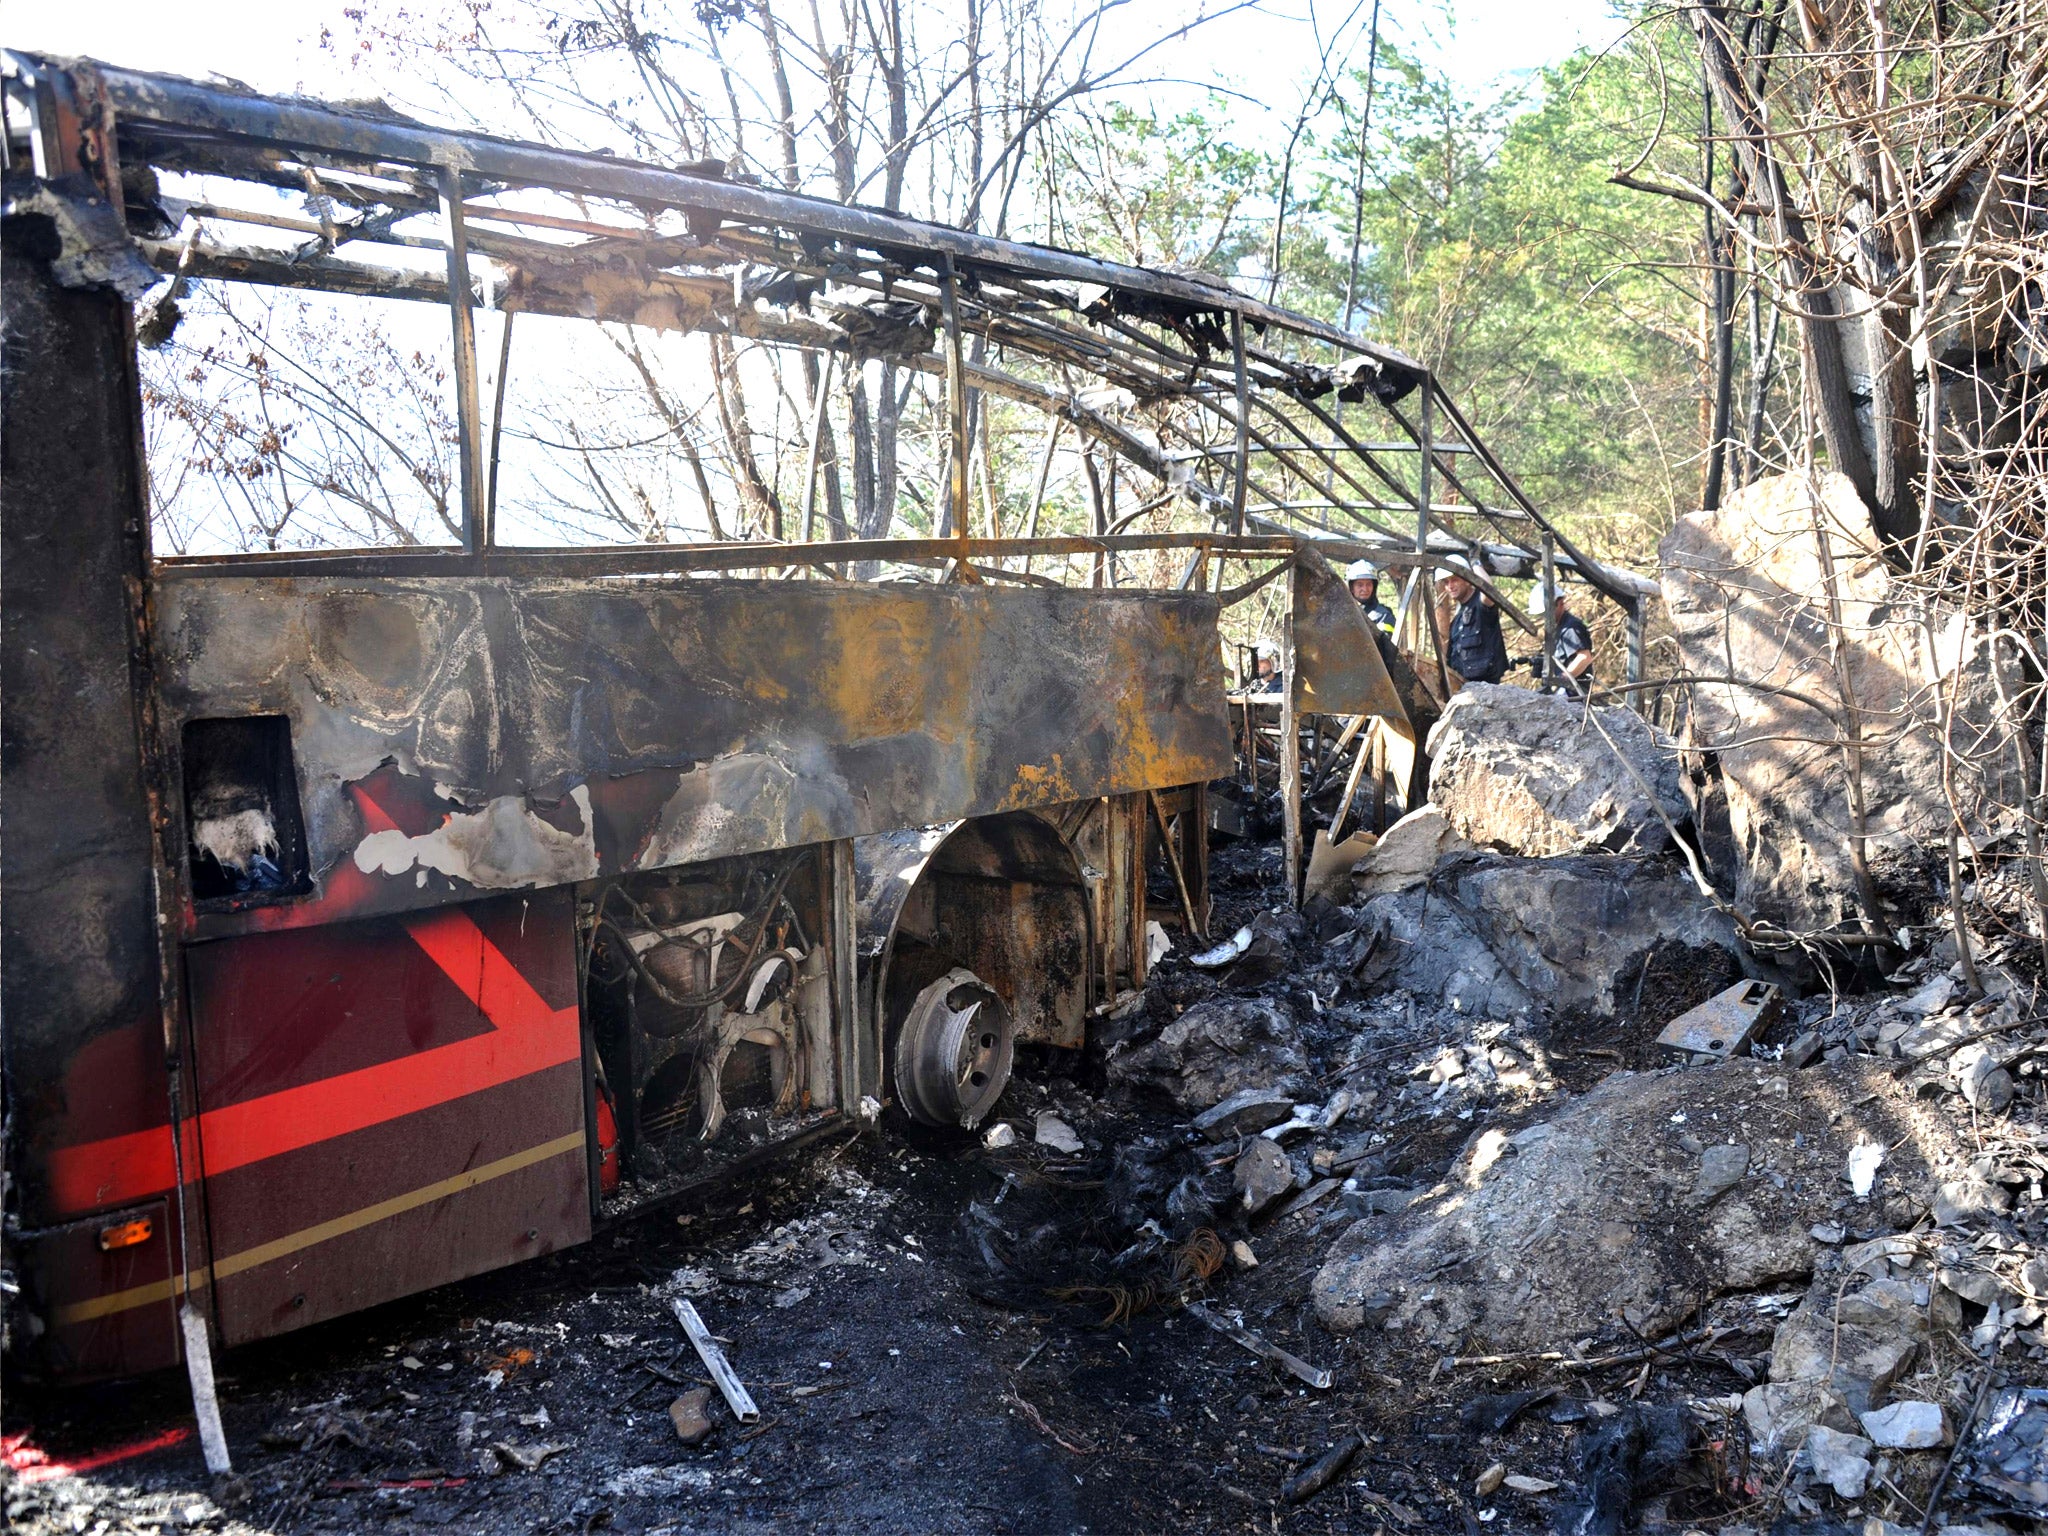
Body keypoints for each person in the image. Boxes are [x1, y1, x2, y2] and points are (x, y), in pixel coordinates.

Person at [1433, 556, 1508, 687]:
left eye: (1455, 580)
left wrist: (1475, 563)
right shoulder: (1457, 620)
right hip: (1464, 688)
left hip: (1487, 689)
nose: (1450, 586)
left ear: (1468, 580)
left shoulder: (1481, 605)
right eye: (1446, 582)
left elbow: (1488, 590)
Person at [1525, 585, 1594, 695]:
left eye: (1547, 612)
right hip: (1566, 691)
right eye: (1543, 613)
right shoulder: (1559, 627)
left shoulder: (1571, 627)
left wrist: (1561, 679)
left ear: (1560, 603)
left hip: (1574, 693)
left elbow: (1584, 657)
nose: (1545, 616)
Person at [1345, 558, 1396, 637]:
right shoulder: (1342, 613)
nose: (1365, 589)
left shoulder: (1383, 615)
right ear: (1351, 588)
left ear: (1374, 587)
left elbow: (1385, 642)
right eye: (1360, 585)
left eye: (1368, 584)